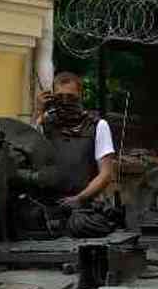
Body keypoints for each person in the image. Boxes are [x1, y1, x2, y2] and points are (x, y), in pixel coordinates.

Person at [29, 71, 117, 234]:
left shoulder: (98, 125)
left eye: (70, 96)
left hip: (84, 207)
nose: (65, 100)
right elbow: (28, 150)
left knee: (80, 224)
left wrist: (79, 198)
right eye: (60, 96)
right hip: (48, 206)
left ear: (80, 95)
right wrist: (38, 112)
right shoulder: (45, 124)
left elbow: (105, 174)